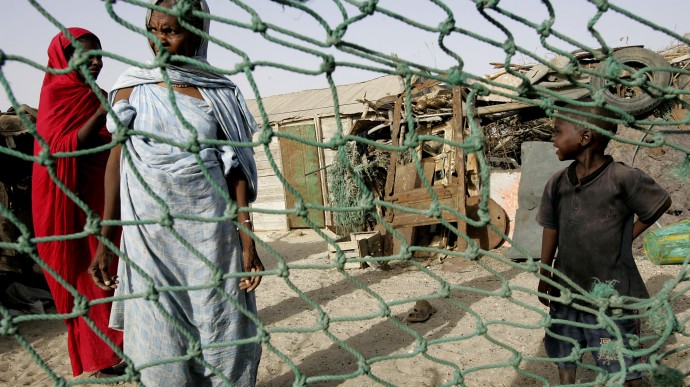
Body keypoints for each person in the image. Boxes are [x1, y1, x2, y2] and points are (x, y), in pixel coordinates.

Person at [88, 0, 264, 385]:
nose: (159, 42)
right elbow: (115, 165)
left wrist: (246, 236)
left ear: (197, 33)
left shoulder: (220, 92)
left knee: (224, 329)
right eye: (154, 31)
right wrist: (105, 237)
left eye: (171, 31)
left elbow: (235, 169)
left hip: (212, 236)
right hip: (150, 239)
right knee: (160, 340)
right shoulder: (130, 87)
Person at [536, 104, 672, 385]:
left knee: (619, 359)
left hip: (611, 295)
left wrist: (627, 236)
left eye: (558, 132)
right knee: (564, 347)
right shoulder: (558, 182)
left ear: (584, 138)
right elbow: (551, 227)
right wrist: (545, 271)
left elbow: (660, 203)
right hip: (568, 289)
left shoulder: (622, 178)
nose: (553, 138)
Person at [32, 28, 124, 378]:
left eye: (100, 56)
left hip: (107, 202)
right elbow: (55, 151)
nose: (97, 62)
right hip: (72, 207)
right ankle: (100, 360)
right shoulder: (56, 95)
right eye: (87, 57)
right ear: (64, 59)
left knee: (114, 277)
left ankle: (120, 350)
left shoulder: (98, 95)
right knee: (88, 282)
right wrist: (102, 113)